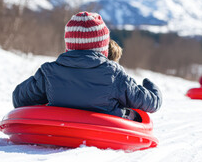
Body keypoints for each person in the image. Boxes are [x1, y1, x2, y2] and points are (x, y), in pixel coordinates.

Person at [12, 11, 162, 122]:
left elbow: (20, 99)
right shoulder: (114, 75)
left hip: (60, 126)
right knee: (132, 114)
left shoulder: (49, 71)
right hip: (104, 128)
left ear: (69, 44)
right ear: (103, 47)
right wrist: (153, 88)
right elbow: (149, 103)